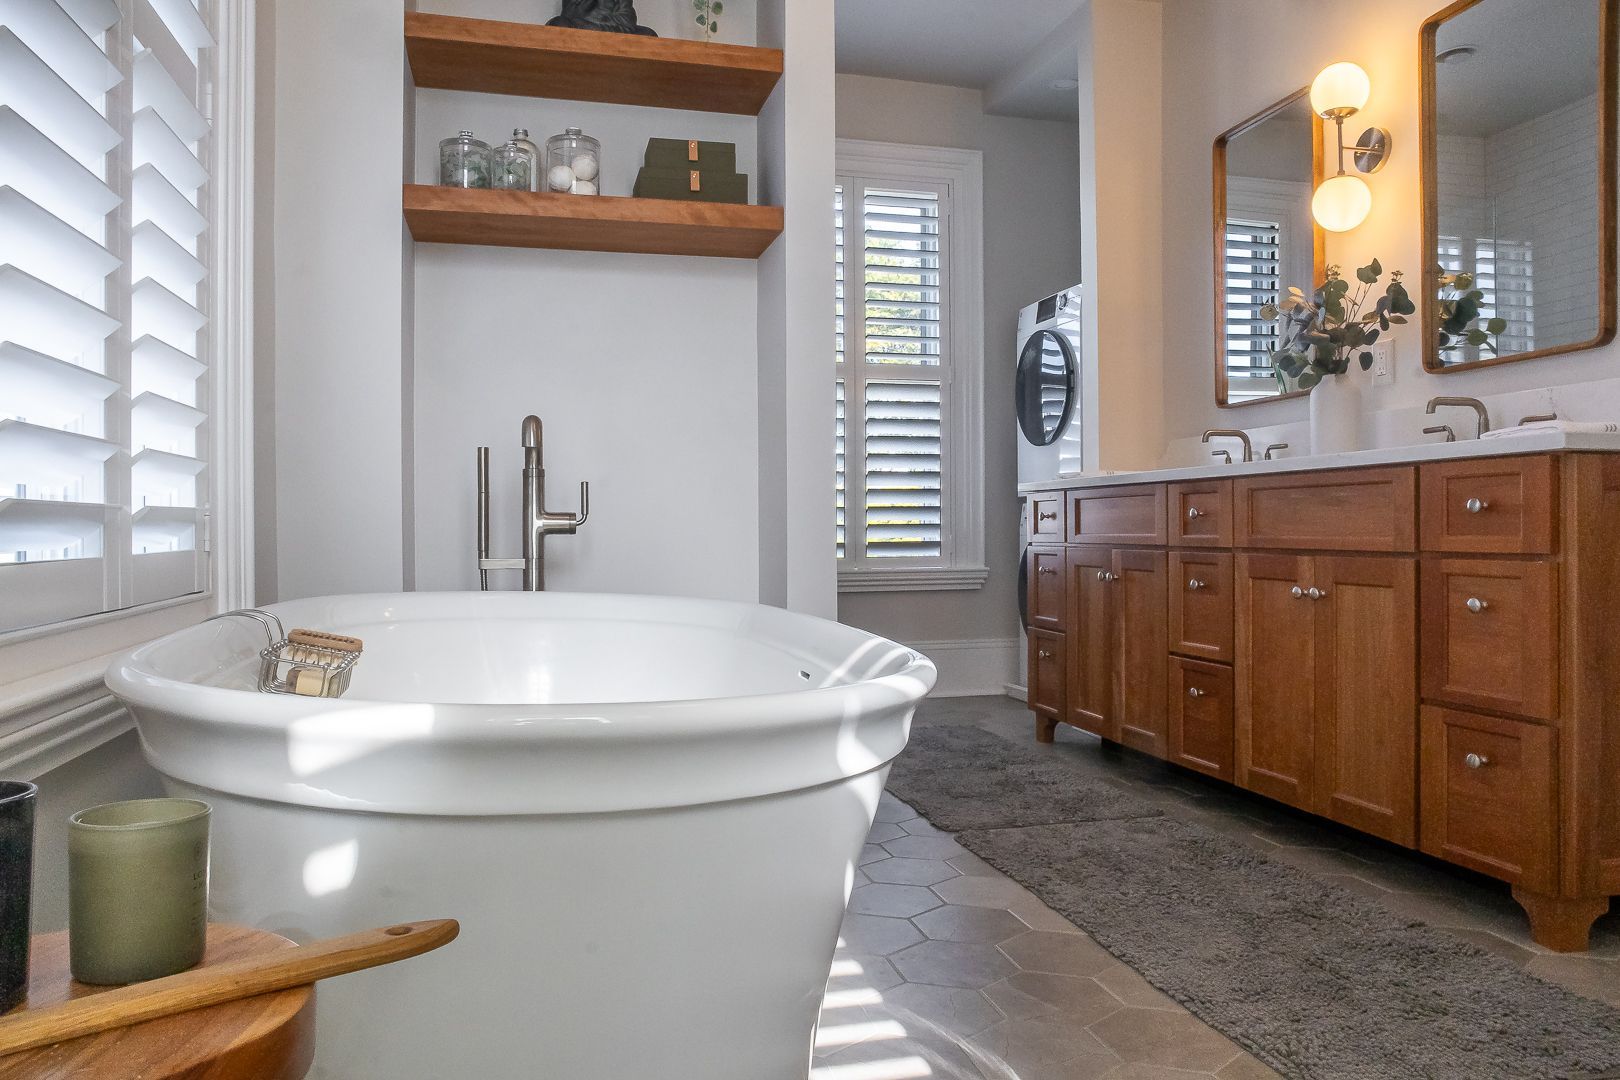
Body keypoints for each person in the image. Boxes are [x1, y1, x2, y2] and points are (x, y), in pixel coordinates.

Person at [547, 0, 656, 35]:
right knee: (557, 24)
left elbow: (627, 21)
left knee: (649, 34)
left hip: (618, 31)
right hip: (581, 28)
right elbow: (570, 14)